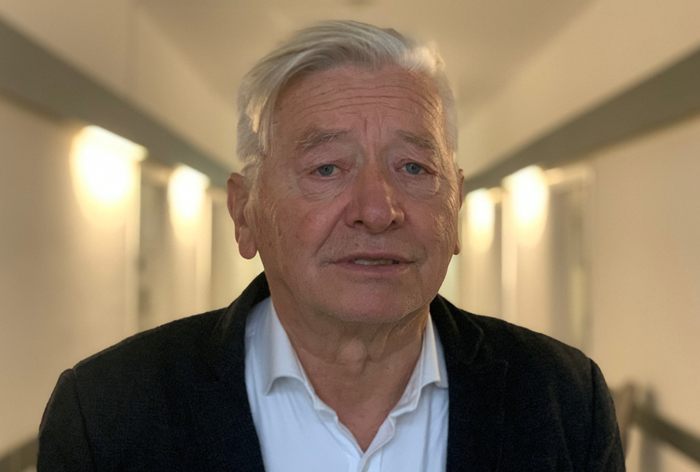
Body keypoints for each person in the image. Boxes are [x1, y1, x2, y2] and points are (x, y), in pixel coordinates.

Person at [38, 20, 624, 471]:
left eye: (414, 167)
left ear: (456, 207)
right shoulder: (108, 415)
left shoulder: (565, 402)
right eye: (326, 168)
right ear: (245, 213)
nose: (378, 210)